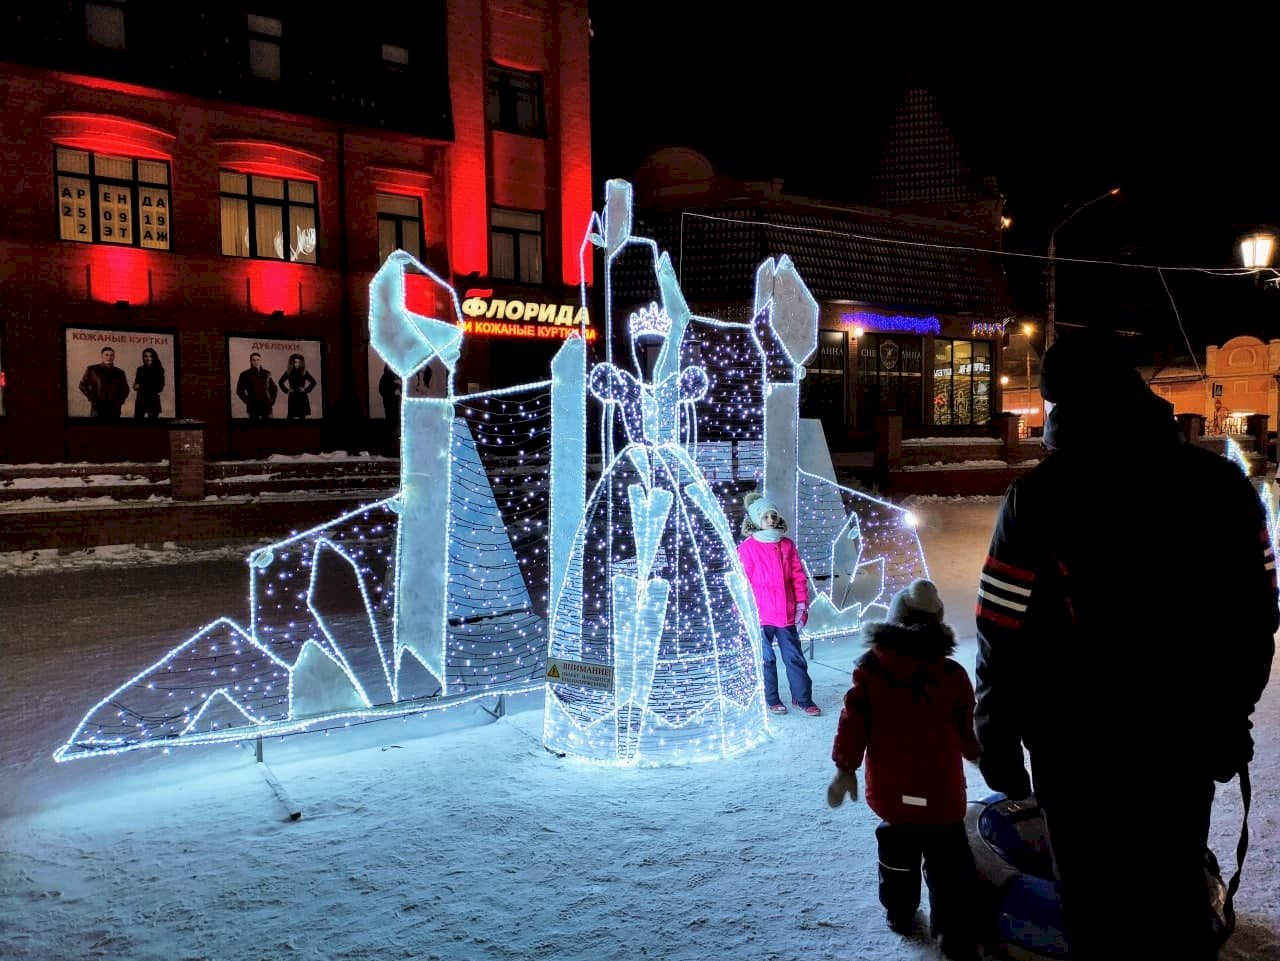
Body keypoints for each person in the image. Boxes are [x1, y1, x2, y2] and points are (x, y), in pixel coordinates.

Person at [974, 328, 1277, 961]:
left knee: (1094, 905)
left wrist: (997, 736)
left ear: (1064, 407)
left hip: (1076, 749)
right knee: (1172, 890)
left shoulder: (1039, 498)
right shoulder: (1223, 487)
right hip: (1185, 738)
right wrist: (1228, 717)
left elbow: (1001, 630)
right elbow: (1256, 617)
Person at [828, 578, 980, 961]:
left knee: (897, 856)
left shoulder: (870, 674)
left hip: (893, 796)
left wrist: (846, 768)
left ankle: (899, 911)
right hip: (942, 797)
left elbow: (852, 723)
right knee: (950, 867)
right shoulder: (951, 676)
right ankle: (952, 929)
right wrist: (978, 754)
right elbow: (967, 728)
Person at [737, 491, 820, 716]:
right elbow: (742, 581)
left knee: (795, 658)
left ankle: (803, 699)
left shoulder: (786, 545)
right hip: (761, 615)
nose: (771, 520)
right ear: (756, 520)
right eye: (765, 517)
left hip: (786, 613)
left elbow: (797, 576)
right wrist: (742, 609)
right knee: (766, 660)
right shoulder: (748, 548)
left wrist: (802, 604)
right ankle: (772, 699)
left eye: (773, 516)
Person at [78, 346, 130, 419]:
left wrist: (119, 402)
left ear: (114, 357)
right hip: (97, 407)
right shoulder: (92, 369)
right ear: (102, 356)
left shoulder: (120, 372)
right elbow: (82, 386)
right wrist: (92, 398)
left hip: (114, 409)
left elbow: (126, 389)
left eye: (111, 355)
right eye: (106, 355)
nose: (109, 357)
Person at [235, 352, 277, 420]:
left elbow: (274, 388)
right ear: (251, 361)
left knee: (269, 428)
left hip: (267, 407)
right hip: (253, 408)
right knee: (255, 428)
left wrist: (272, 401)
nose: (256, 362)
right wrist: (248, 402)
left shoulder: (267, 373)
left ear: (260, 361)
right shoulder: (245, 374)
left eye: (258, 360)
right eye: (254, 360)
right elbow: (239, 391)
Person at [278, 353, 317, 420]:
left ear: (301, 363)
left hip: (302, 397)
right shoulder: (289, 372)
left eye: (299, 362)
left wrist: (305, 390)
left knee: (302, 417)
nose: (297, 364)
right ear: (292, 362)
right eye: (295, 362)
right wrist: (287, 390)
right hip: (293, 396)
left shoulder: (304, 372)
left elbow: (313, 382)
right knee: (290, 416)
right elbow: (280, 382)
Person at [132, 347, 165, 419]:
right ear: (143, 357)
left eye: (150, 356)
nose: (148, 358)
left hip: (153, 401)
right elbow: (135, 384)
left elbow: (159, 387)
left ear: (154, 357)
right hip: (140, 401)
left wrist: (141, 386)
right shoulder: (140, 369)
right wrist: (135, 386)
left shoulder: (159, 370)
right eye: (145, 356)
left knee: (152, 425)